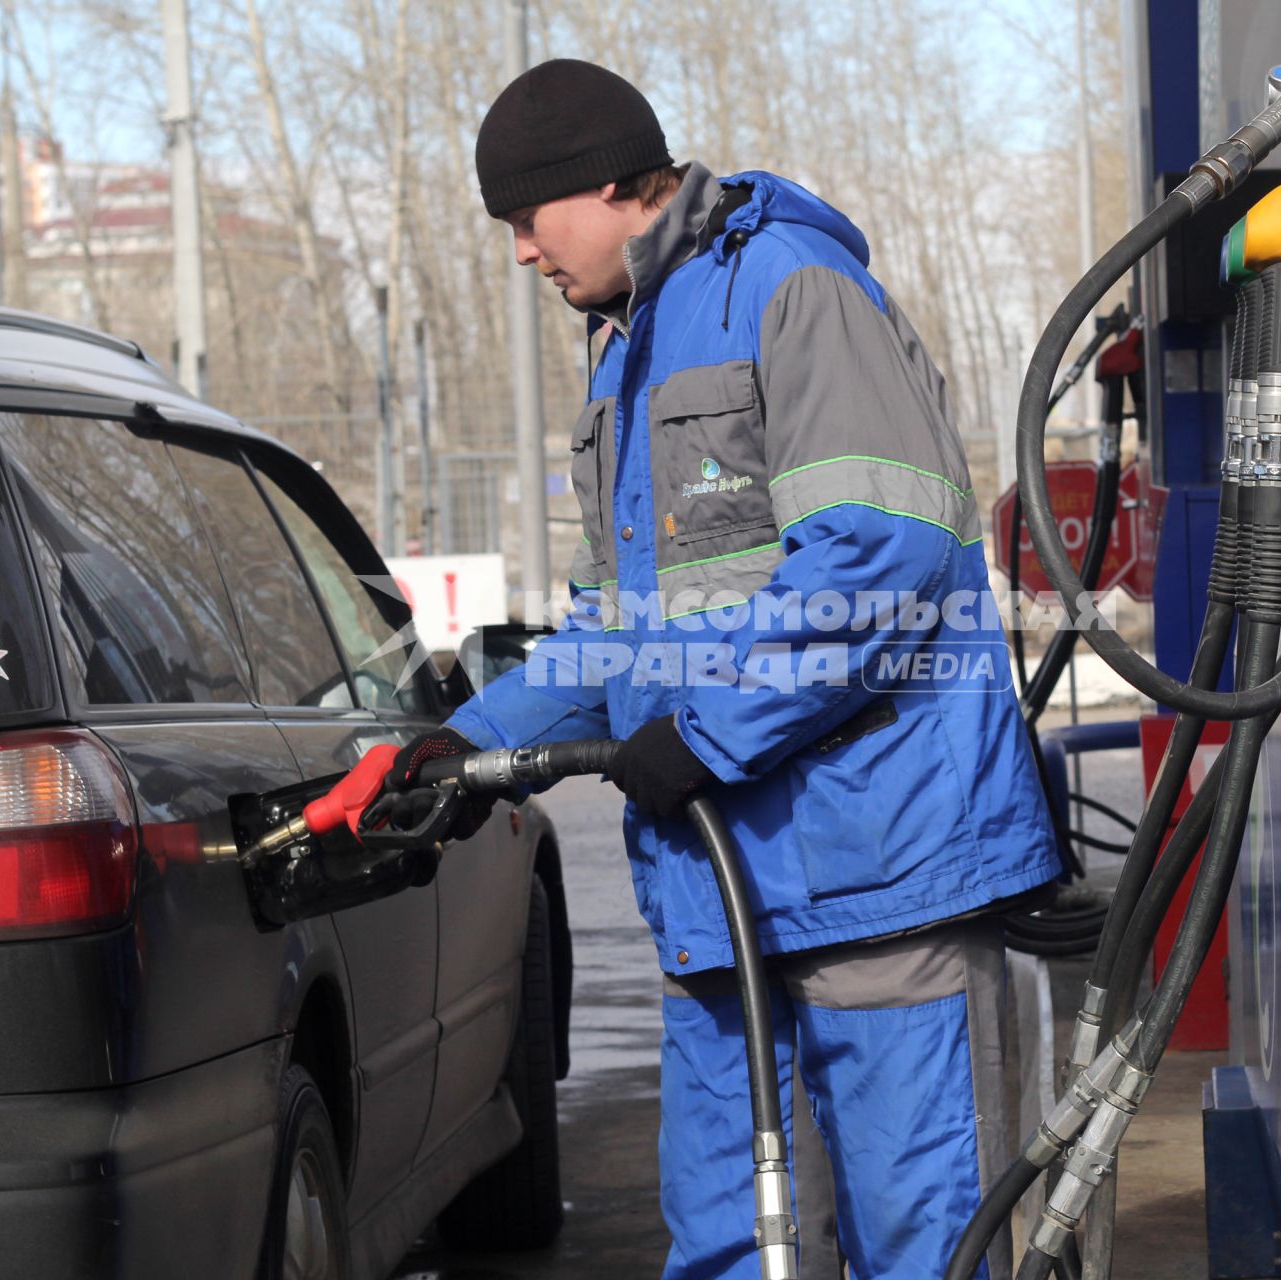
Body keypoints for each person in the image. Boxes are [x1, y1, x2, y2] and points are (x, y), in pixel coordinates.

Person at [387, 59, 1056, 1279]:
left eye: (525, 221)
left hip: (875, 874)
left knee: (922, 1240)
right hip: (720, 893)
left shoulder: (794, 290)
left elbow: (885, 550)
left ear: (601, 184)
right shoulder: (622, 358)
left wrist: (708, 731)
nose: (522, 253)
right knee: (727, 1245)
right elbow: (624, 624)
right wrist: (468, 749)